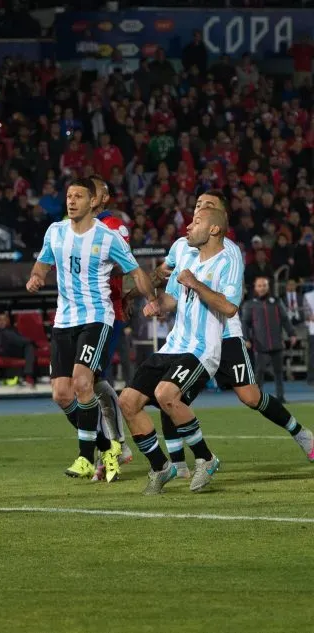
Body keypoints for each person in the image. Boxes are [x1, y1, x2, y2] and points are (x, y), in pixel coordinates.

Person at [148, 192, 313, 473]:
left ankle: (300, 433)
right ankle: (178, 465)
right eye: (198, 204)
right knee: (170, 395)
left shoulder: (230, 253)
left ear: (220, 219)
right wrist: (154, 297)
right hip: (189, 337)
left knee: (249, 396)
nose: (201, 208)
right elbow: (171, 291)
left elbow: (228, 305)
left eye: (209, 206)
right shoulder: (181, 247)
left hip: (224, 335)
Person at [26, 178, 157, 482]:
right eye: (69, 195)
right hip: (64, 320)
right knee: (61, 394)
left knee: (83, 382)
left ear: (91, 201)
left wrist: (150, 299)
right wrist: (35, 278)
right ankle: (107, 446)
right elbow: (42, 264)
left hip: (97, 317)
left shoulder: (108, 236)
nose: (71, 201)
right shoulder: (55, 231)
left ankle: (85, 458)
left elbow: (135, 270)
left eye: (78, 196)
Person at [118, 208, 235, 494]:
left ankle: (206, 459)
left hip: (201, 349)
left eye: (196, 223)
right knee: (127, 402)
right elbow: (173, 299)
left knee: (165, 394)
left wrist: (195, 283)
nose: (187, 227)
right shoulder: (185, 254)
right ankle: (161, 466)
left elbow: (230, 307)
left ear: (214, 230)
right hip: (174, 345)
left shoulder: (226, 262)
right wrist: (158, 305)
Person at [91, 178, 132, 468]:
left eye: (87, 193)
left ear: (103, 198)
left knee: (91, 380)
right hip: (77, 315)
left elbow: (124, 261)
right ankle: (114, 445)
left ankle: (114, 447)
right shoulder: (71, 228)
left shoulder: (114, 225)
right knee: (77, 385)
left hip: (107, 311)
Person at [242, 277, 298, 403]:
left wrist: (292, 334)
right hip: (260, 345)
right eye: (259, 286)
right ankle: (257, 398)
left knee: (279, 373)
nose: (262, 288)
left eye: (264, 285)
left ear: (268, 287)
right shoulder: (250, 304)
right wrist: (246, 338)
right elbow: (245, 323)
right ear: (256, 288)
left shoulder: (276, 302)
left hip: (277, 343)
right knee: (259, 373)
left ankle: (281, 397)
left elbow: (285, 319)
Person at [0, 312, 34, 386]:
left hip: (13, 350)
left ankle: (28, 375)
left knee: (29, 347)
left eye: (4, 320)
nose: (2, 322)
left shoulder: (12, 329)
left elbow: (19, 341)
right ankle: (31, 341)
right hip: (1, 351)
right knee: (8, 334)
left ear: (7, 321)